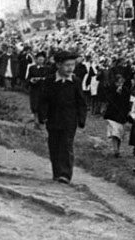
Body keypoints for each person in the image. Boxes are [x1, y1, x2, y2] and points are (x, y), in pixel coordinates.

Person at [38, 50, 88, 184]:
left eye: (72, 65)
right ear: (58, 65)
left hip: (69, 119)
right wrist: (42, 116)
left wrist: (81, 119)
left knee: (66, 145)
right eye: (67, 65)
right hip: (53, 119)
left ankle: (65, 174)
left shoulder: (75, 81)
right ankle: (57, 172)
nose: (70, 68)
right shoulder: (50, 81)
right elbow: (43, 100)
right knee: (54, 145)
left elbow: (81, 102)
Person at [103, 72, 132, 158]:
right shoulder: (111, 89)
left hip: (122, 114)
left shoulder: (126, 90)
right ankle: (116, 150)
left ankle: (118, 149)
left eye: (121, 82)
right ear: (115, 82)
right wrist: (116, 93)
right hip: (112, 114)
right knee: (114, 132)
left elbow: (127, 102)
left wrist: (128, 112)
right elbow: (108, 99)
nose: (120, 84)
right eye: (118, 82)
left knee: (120, 133)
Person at [26, 52, 50, 124]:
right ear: (36, 60)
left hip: (43, 89)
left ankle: (42, 119)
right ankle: (35, 119)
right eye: (39, 59)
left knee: (43, 104)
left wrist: (44, 79)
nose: (40, 61)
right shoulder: (32, 68)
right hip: (35, 88)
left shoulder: (47, 68)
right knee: (35, 103)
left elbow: (49, 78)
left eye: (42, 60)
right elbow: (28, 78)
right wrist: (31, 81)